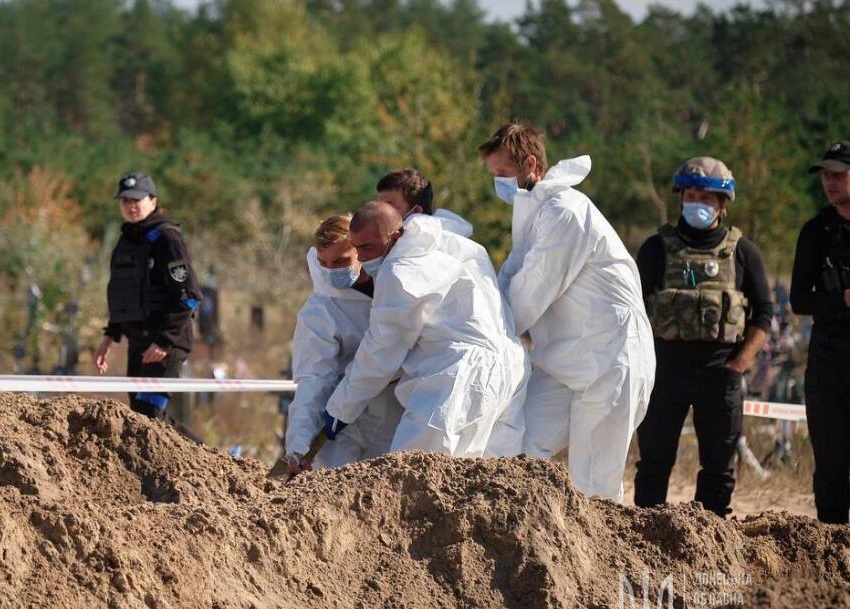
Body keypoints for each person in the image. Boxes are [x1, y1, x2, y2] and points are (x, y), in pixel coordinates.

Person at [480, 122, 655, 501]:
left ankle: (605, 558)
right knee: (514, 441)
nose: (499, 183)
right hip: (565, 361)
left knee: (593, 485)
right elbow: (507, 281)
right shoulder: (533, 216)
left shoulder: (566, 214)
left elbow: (528, 294)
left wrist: (484, 335)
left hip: (611, 360)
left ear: (531, 164)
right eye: (494, 176)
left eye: (504, 174)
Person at [323, 201, 528, 458]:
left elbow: (381, 350)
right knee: (485, 481)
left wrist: (339, 409)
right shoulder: (449, 243)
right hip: (510, 369)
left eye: (367, 247)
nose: (362, 258)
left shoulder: (398, 271)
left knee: (411, 475)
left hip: (458, 375)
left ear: (394, 236)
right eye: (357, 248)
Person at [632, 157, 773, 517]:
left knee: (719, 470)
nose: (698, 202)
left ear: (722, 203)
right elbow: (630, 308)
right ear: (681, 197)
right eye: (691, 194)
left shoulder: (742, 252)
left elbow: (764, 314)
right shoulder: (655, 248)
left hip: (719, 373)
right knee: (653, 464)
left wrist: (738, 365)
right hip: (665, 373)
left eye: (707, 197)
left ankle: (711, 542)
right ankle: (647, 537)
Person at [284, 214, 403, 473]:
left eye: (340, 261)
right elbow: (313, 377)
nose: (330, 270)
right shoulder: (321, 308)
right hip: (338, 419)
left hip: (396, 407)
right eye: (322, 262)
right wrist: (299, 443)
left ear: (361, 251)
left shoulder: (397, 282)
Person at [94, 172, 203, 425]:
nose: (131, 206)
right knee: (143, 421)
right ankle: (214, 461)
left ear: (153, 201)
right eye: (125, 201)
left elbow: (190, 297)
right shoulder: (128, 240)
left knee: (148, 419)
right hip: (139, 342)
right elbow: (123, 294)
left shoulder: (167, 238)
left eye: (137, 200)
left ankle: (220, 463)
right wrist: (109, 337)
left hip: (166, 344)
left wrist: (164, 343)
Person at [790, 140, 850, 524]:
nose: (829, 182)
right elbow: (798, 299)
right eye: (825, 175)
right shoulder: (816, 231)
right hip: (829, 359)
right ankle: (831, 553)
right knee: (830, 466)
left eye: (838, 174)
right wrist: (841, 300)